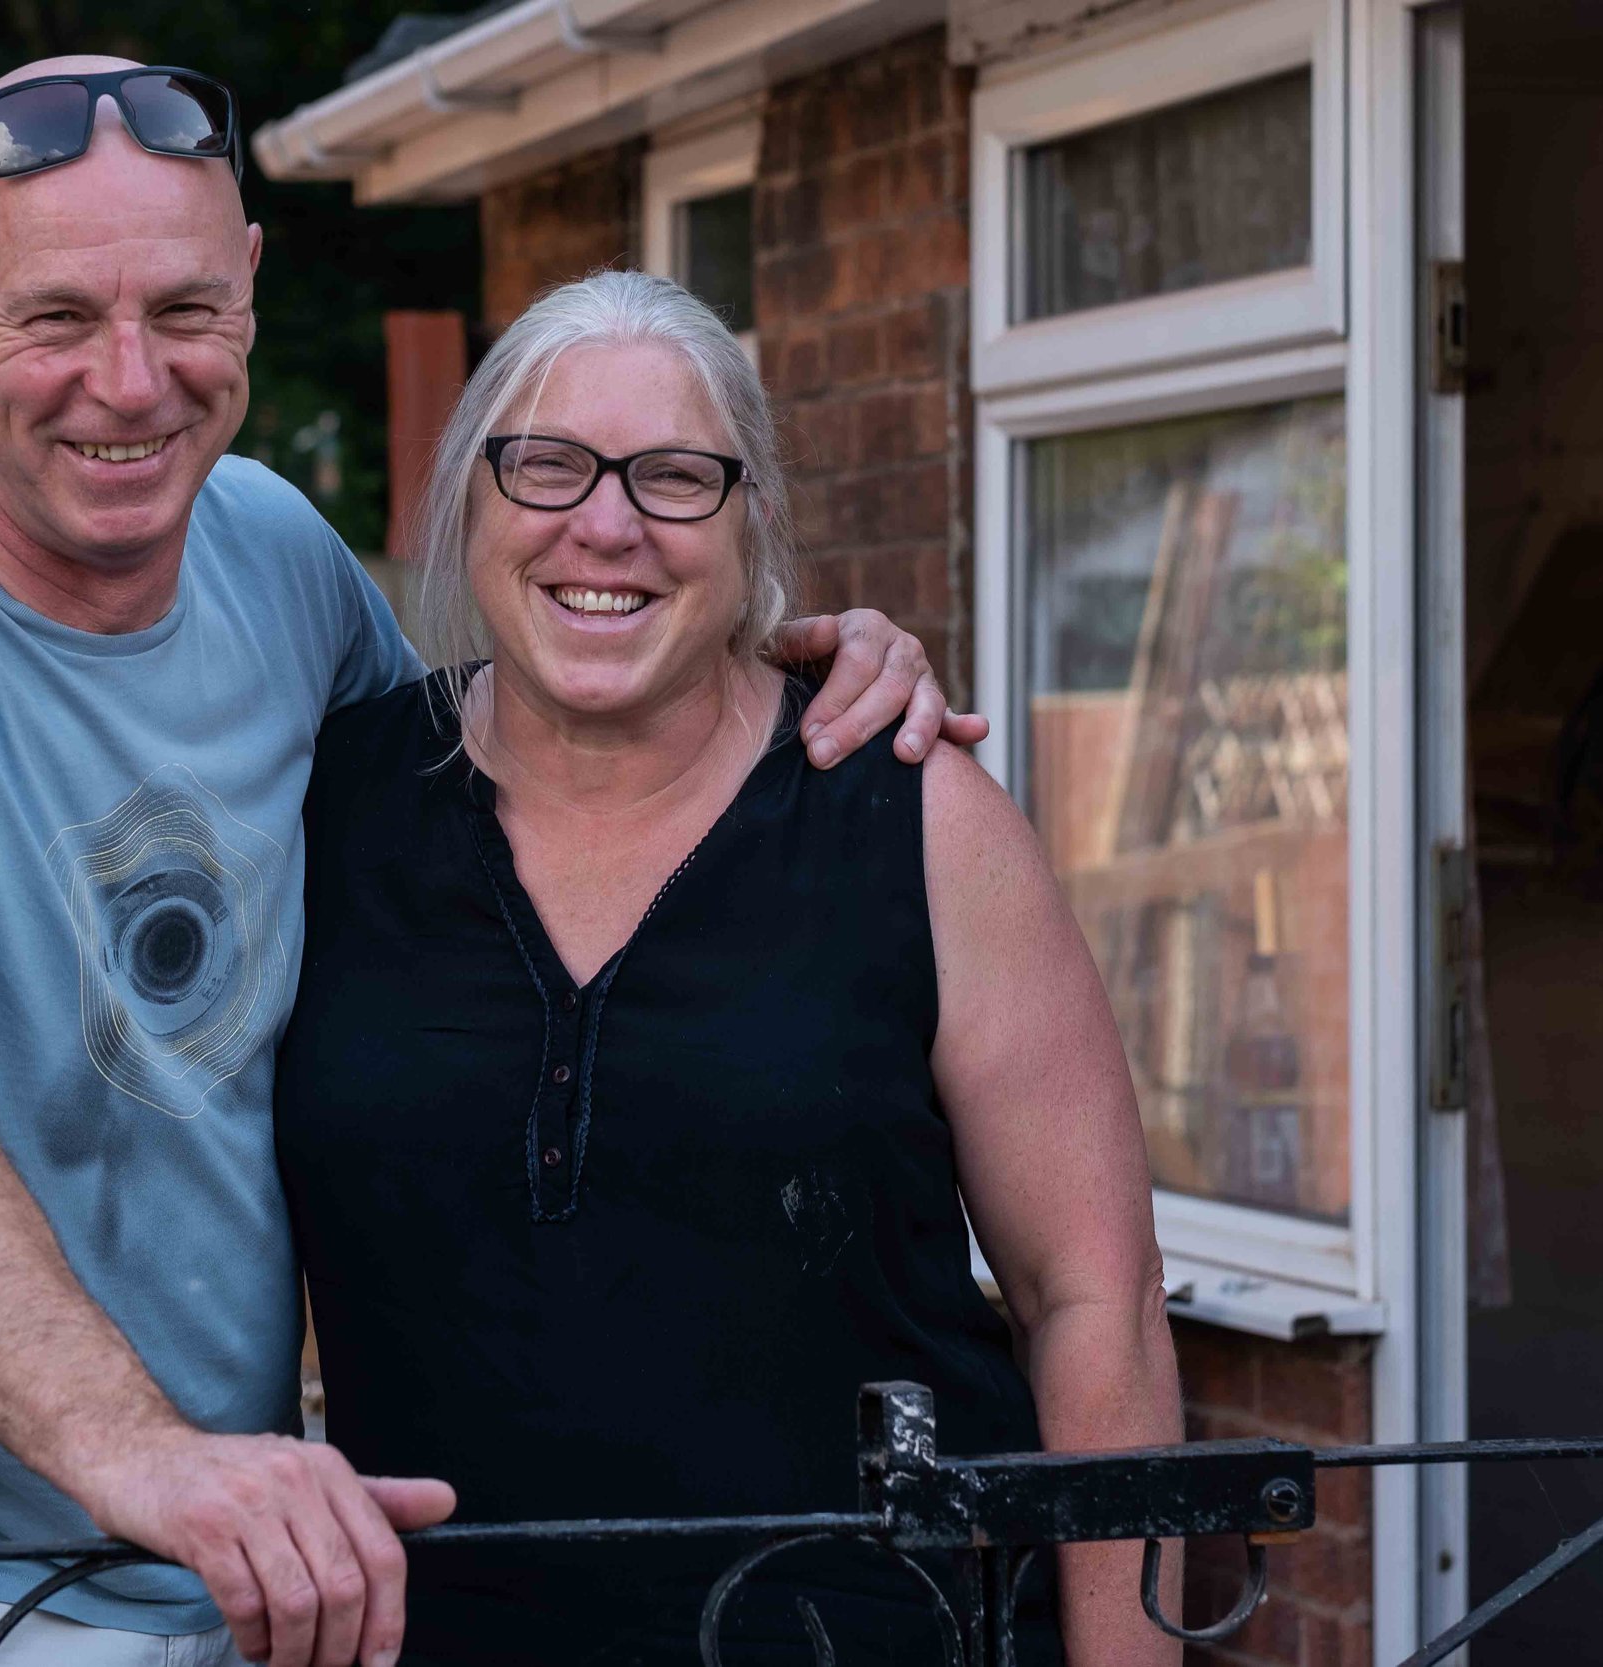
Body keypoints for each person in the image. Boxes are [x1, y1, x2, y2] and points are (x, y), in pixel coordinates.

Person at [0, 55, 972, 1667]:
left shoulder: (274, 559)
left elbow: (486, 847)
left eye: (184, 311)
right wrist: (143, 1458)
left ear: (252, 285)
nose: (129, 381)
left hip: (248, 1561)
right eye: (52, 319)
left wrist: (772, 664)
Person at [274, 270, 1184, 1666]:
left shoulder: (914, 817)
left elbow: (1095, 1302)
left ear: (752, 523)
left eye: (676, 478)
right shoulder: (330, 808)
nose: (608, 523)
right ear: (468, 502)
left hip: (879, 1638)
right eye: (548, 465)